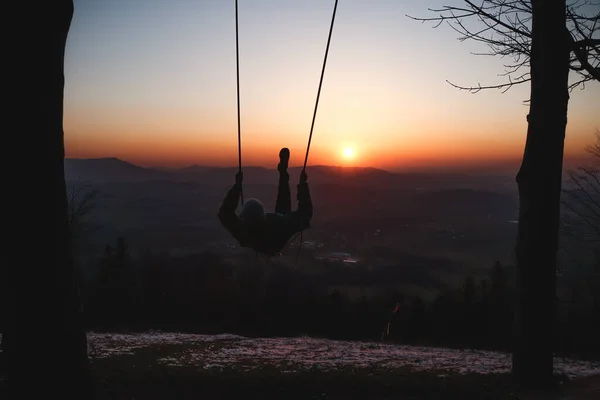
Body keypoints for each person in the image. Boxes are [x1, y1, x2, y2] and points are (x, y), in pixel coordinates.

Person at [218, 148, 313, 256]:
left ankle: (283, 173)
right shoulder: (276, 225)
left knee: (283, 204)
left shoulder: (243, 232)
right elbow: (305, 212)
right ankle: (283, 173)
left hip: (277, 237)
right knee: (283, 206)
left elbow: (224, 213)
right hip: (277, 234)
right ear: (263, 216)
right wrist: (303, 186)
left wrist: (236, 187)